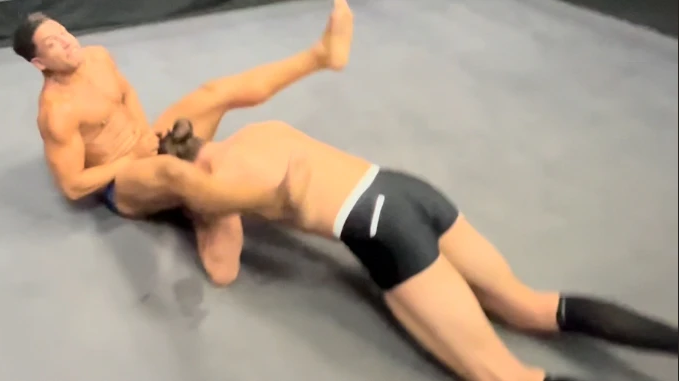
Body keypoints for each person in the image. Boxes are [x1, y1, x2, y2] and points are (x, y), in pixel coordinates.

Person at [157, 118, 679, 381]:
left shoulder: (214, 184)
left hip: (379, 227)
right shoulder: (260, 130)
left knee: (501, 375)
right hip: (406, 189)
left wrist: (197, 212)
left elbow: (222, 270)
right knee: (528, 305)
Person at [10, 0, 354, 273]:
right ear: (39, 63)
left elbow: (126, 93)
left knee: (214, 92)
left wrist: (145, 135)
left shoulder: (97, 57)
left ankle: (320, 56)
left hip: (146, 145)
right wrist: (132, 158)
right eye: (52, 44)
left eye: (63, 32)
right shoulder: (57, 112)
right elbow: (72, 186)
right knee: (172, 171)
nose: (67, 42)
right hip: (122, 181)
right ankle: (265, 201)